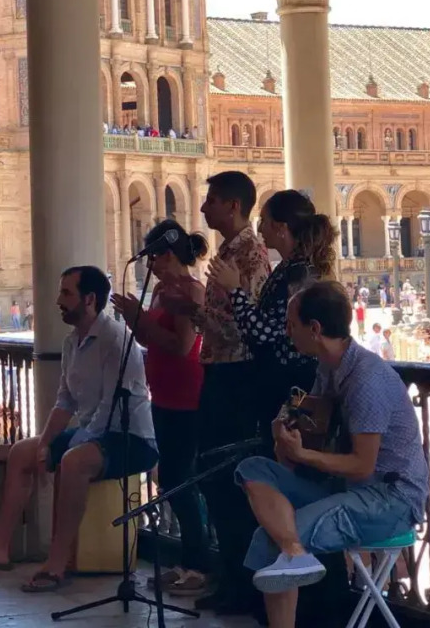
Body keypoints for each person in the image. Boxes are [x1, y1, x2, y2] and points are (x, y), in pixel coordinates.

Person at [236, 283, 428, 628]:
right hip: (346, 486)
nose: (286, 331)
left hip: (390, 498)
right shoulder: (329, 366)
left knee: (268, 539)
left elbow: (362, 465)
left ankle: (290, 552)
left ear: (315, 328)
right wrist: (288, 429)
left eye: (291, 324)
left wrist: (302, 454)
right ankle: (294, 551)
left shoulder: (367, 380)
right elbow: (315, 427)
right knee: (251, 468)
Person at [0, 266, 157, 591]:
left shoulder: (116, 339)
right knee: (22, 452)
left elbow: (111, 408)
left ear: (89, 299)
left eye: (66, 293)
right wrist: (44, 444)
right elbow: (65, 402)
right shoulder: (71, 342)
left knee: (73, 461)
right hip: (94, 433)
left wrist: (72, 444)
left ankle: (56, 563)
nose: (58, 301)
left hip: (130, 436)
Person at [164, 171, 271, 617]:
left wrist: (196, 310)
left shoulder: (250, 256)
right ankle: (230, 579)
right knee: (212, 476)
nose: (203, 207)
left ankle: (245, 585)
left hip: (237, 378)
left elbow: (247, 329)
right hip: (218, 373)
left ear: (232, 205)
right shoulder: (228, 252)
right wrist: (192, 310)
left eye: (211, 200)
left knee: (229, 479)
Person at [113, 221, 210, 596]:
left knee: (181, 480)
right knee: (169, 478)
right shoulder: (159, 292)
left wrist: (140, 319)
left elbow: (181, 345)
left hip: (187, 398)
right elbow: (149, 338)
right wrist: (134, 319)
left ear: (168, 255)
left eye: (153, 258)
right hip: (163, 395)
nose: (149, 266)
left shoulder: (190, 291)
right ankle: (187, 560)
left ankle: (198, 563)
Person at [207, 189, 336, 450]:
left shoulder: (297, 273)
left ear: (281, 228)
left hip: (290, 384)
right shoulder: (290, 268)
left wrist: (235, 290)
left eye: (265, 221)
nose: (260, 228)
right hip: (280, 383)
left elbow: (266, 332)